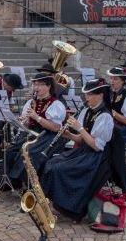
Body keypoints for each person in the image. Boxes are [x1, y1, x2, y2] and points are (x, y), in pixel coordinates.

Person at [40, 78, 114, 220]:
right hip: (84, 152)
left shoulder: (105, 116)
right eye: (86, 94)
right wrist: (69, 134)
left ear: (101, 95)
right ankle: (52, 203)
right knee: (52, 162)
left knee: (59, 169)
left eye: (90, 95)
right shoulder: (88, 111)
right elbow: (81, 139)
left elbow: (96, 146)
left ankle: (65, 207)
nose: (86, 98)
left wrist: (79, 127)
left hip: (96, 158)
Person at [5, 72, 66, 188]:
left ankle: (30, 186)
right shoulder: (31, 102)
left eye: (40, 85)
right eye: (35, 84)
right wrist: (24, 121)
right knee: (11, 150)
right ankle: (15, 183)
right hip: (32, 134)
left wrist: (36, 117)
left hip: (48, 136)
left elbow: (56, 127)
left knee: (30, 153)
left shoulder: (56, 104)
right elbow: (28, 124)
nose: (36, 88)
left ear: (48, 86)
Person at [107, 67, 126, 144]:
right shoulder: (108, 93)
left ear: (123, 81)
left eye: (115, 79)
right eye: (111, 78)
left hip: (124, 130)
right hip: (111, 125)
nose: (112, 81)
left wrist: (110, 111)